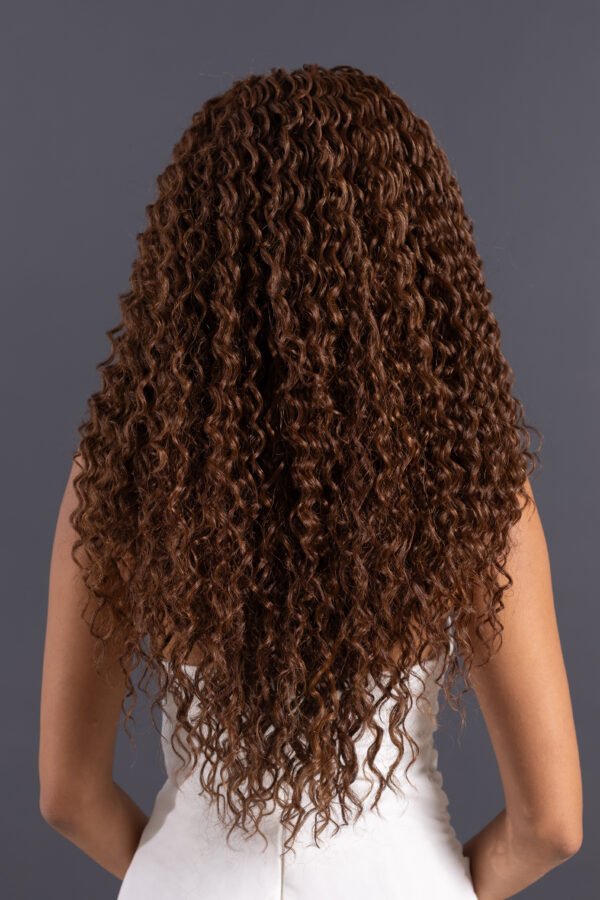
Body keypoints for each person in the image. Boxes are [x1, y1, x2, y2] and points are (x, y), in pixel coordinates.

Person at [39, 63, 582, 899]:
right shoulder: (467, 475)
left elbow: (68, 795)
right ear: (408, 253)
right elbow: (551, 824)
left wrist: (181, 871)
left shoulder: (123, 470)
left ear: (195, 258)